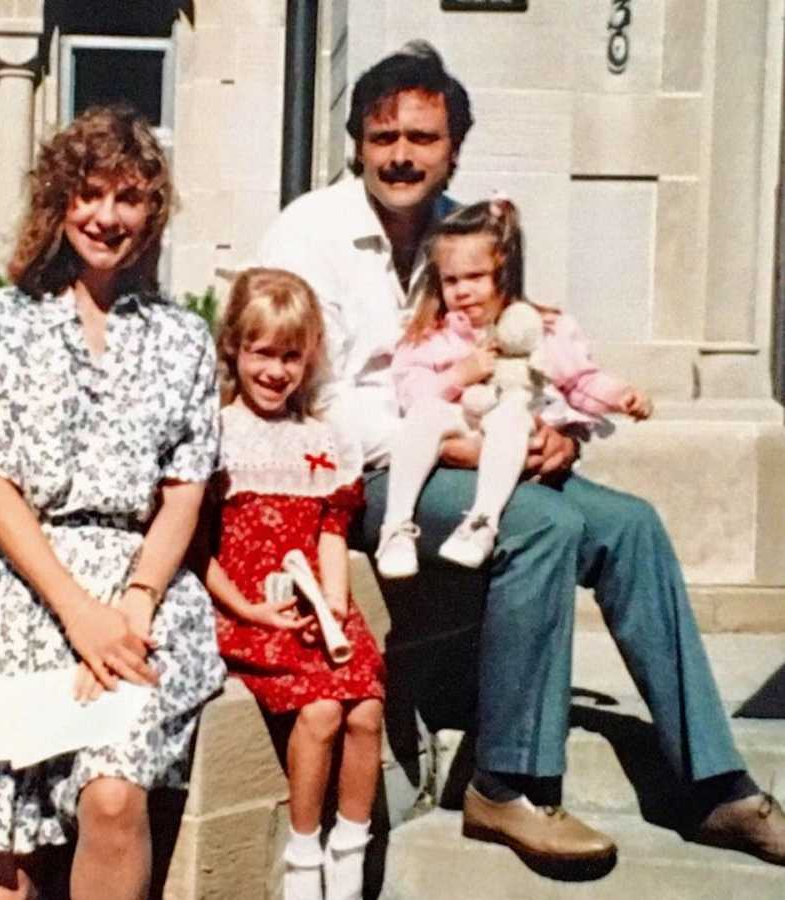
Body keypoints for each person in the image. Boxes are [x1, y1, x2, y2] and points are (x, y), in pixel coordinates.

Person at [259, 42, 785, 866]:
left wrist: (550, 433)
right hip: (358, 477)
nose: (401, 155)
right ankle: (506, 784)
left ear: (454, 147)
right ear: (357, 143)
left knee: (631, 525)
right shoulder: (308, 232)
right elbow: (313, 401)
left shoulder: (469, 233)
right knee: (538, 526)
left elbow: (532, 354)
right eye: (383, 135)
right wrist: (465, 445)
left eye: (423, 138)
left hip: (468, 449)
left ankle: (718, 787)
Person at [0, 106, 226, 899]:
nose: (108, 217)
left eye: (131, 198)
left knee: (112, 796)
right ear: (59, 201)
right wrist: (75, 610)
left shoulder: (182, 339)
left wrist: (137, 603)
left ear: (154, 211)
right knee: (2, 846)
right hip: (21, 590)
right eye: (91, 194)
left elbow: (185, 486)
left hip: (137, 594)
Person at [205, 268, 385, 900]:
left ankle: (349, 847)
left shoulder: (321, 440)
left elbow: (330, 532)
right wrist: (250, 610)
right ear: (235, 349)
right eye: (262, 353)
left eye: (290, 355)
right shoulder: (217, 433)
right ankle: (303, 851)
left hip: (315, 604)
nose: (276, 370)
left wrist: (336, 605)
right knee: (322, 709)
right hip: (250, 608)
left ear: (308, 357)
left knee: (365, 708)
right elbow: (199, 549)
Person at [375, 197, 652, 578]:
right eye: (451, 280)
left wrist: (620, 397)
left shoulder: (540, 329)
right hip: (460, 429)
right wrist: (461, 374)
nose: (463, 291)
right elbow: (413, 396)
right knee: (426, 415)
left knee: (512, 415)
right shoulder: (432, 335)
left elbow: (579, 380)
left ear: (503, 273)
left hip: (513, 437)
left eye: (475, 277)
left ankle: (481, 523)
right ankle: (396, 527)